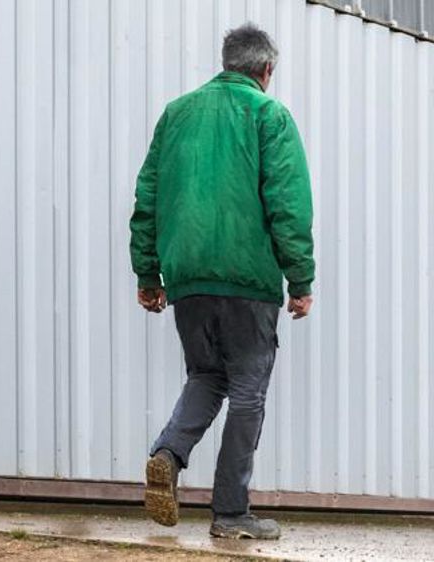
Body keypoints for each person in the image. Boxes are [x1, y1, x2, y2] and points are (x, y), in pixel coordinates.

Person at [128, 23, 314, 540]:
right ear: (266, 70)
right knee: (248, 392)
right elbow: (288, 205)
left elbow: (147, 199)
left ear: (227, 61)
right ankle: (231, 514)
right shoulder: (268, 115)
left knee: (207, 376)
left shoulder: (177, 114)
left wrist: (149, 273)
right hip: (246, 281)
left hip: (187, 282)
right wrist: (300, 279)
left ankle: (168, 453)